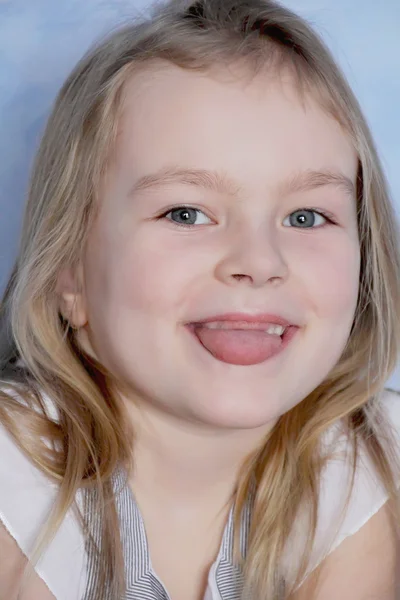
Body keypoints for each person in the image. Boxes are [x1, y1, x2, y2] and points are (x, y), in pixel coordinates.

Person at [1, 0, 400, 598]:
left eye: (306, 215)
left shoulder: (373, 466)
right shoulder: (11, 478)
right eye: (185, 213)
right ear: (70, 271)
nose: (260, 262)